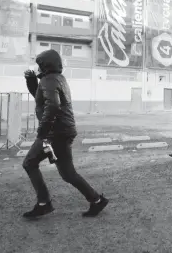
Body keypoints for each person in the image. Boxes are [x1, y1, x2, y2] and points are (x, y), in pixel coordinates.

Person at [22, 49, 108, 219]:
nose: (37, 68)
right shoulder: (56, 79)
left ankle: (44, 203)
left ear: (45, 65)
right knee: (68, 174)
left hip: (54, 133)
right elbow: (41, 98)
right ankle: (96, 201)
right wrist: (31, 81)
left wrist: (43, 133)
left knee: (30, 163)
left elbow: (52, 106)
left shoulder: (48, 80)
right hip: (63, 131)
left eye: (39, 65)